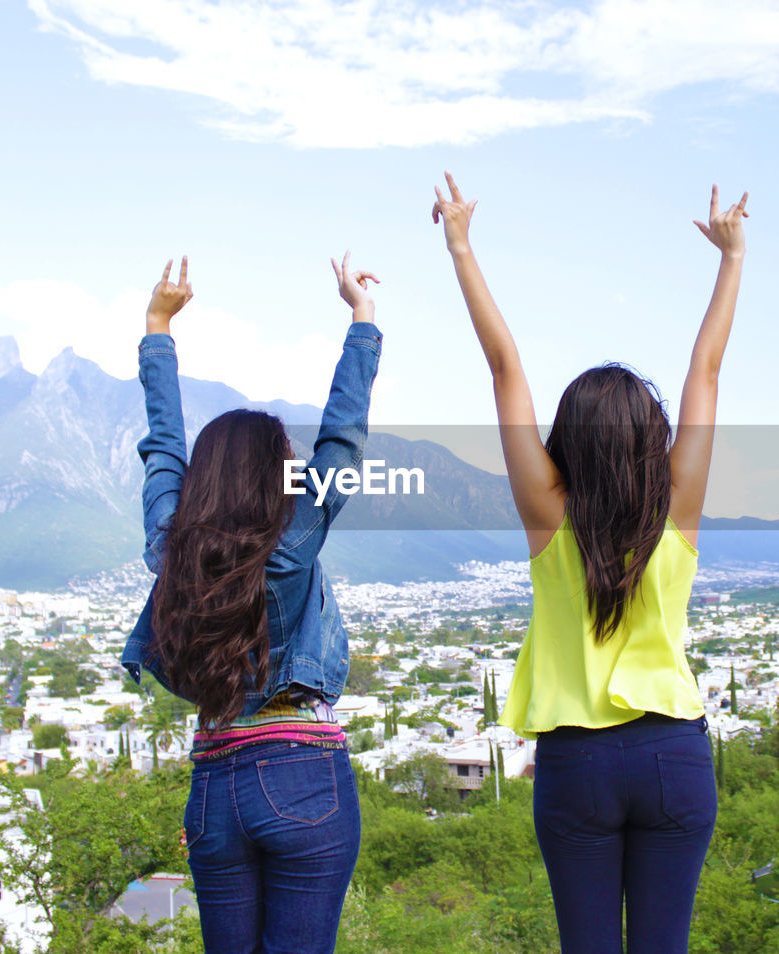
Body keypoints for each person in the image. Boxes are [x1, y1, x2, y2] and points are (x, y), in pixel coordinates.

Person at [431, 173, 747, 954]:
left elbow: (505, 369)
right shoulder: (678, 502)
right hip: (674, 750)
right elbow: (706, 373)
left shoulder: (548, 513)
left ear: (567, 440)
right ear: (651, 438)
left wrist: (462, 245)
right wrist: (732, 258)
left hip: (577, 762)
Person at [120, 253, 383, 954]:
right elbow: (341, 438)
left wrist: (157, 327)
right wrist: (362, 320)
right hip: (302, 771)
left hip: (213, 787)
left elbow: (163, 454)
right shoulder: (293, 540)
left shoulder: (171, 546)